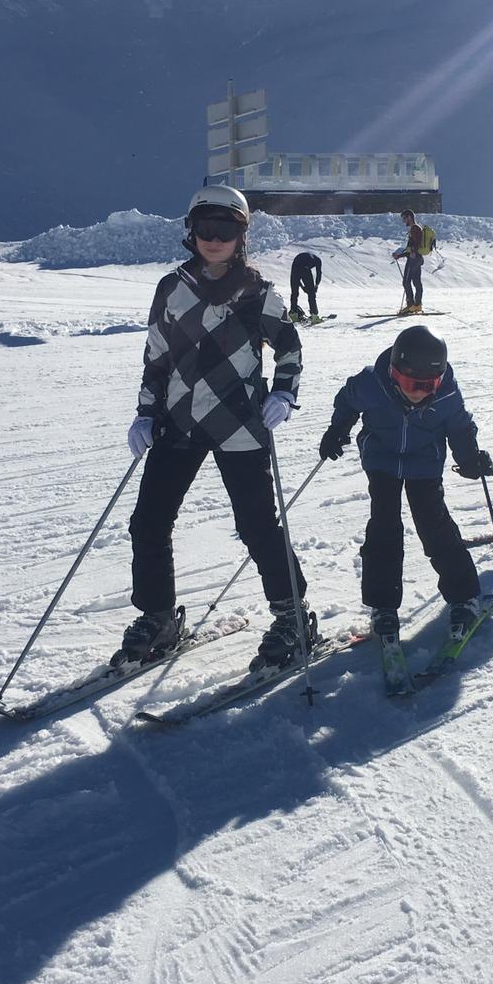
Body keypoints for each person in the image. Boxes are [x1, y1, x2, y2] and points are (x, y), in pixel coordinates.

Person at [120, 185, 314, 675]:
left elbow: (289, 347)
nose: (214, 238)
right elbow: (156, 358)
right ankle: (159, 617)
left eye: (225, 229)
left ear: (241, 236)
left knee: (257, 525)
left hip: (240, 425)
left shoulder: (257, 292)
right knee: (148, 522)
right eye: (205, 228)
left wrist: (283, 393)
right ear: (191, 231)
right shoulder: (172, 288)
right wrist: (146, 413)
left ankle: (292, 616)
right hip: (178, 422)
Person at [317, 325, 492, 646]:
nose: (420, 392)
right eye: (413, 384)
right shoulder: (371, 383)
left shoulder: (446, 393)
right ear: (395, 372)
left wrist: (469, 457)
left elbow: (460, 426)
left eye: (429, 385)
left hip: (425, 464)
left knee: (433, 523)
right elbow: (347, 400)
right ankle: (383, 605)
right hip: (381, 459)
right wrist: (338, 428)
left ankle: (464, 595)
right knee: (383, 525)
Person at [390, 210, 427, 314]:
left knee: (406, 281)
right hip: (418, 258)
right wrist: (399, 255)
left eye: (404, 218)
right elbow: (410, 248)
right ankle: (417, 305)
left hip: (413, 259)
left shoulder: (414, 228)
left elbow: (416, 244)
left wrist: (413, 252)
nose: (403, 221)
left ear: (409, 217)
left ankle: (411, 305)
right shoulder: (416, 228)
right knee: (416, 282)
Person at [288, 250, 324, 323]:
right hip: (304, 268)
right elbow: (319, 273)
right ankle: (314, 316)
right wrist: (316, 285)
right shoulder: (318, 260)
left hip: (294, 266)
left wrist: (302, 287)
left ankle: (293, 314)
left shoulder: (307, 256)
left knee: (294, 293)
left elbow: (296, 279)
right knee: (311, 294)